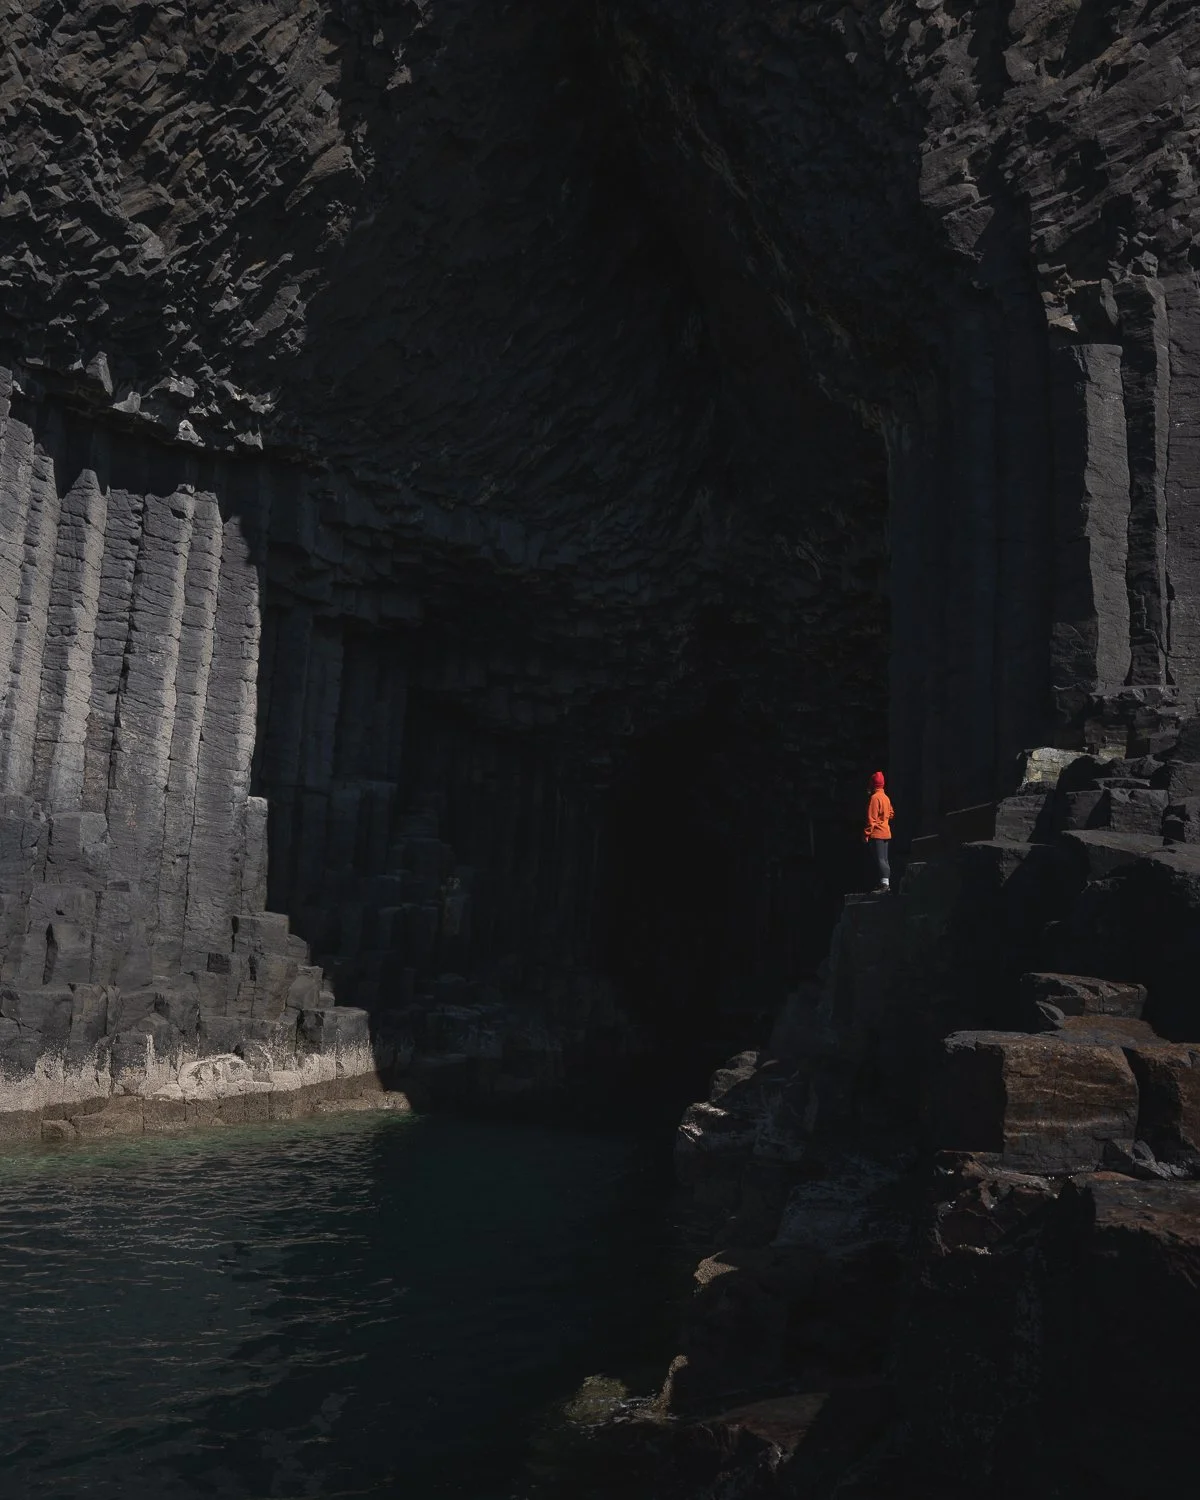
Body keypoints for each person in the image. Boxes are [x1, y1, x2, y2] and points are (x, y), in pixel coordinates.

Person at [862, 770, 894, 893]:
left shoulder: (874, 798)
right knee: (885, 859)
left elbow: (871, 819)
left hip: (878, 833)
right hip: (886, 832)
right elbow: (891, 813)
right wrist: (884, 818)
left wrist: (866, 834)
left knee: (880, 859)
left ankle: (885, 885)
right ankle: (884, 883)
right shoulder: (886, 798)